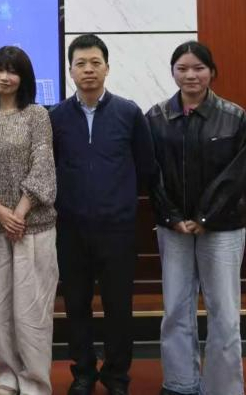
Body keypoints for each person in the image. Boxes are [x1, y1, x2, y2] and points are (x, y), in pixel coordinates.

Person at [50, 34, 155, 395]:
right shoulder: (56, 117)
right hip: (71, 229)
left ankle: (116, 376)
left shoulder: (128, 112)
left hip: (117, 230)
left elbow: (146, 167)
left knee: (118, 308)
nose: (89, 70)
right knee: (76, 306)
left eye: (95, 62)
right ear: (70, 71)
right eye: (81, 63)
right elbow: (50, 169)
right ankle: (83, 373)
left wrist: (120, 203)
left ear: (107, 68)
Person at [147, 41, 246, 395]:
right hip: (174, 228)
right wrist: (173, 216)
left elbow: (237, 176)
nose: (190, 75)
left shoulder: (235, 117)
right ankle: (180, 383)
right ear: (173, 73)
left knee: (224, 313)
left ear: (212, 72)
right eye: (182, 68)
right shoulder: (156, 117)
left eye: (198, 68)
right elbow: (152, 174)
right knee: (176, 309)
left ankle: (223, 387)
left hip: (221, 228)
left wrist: (205, 218)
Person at [0, 46, 58, 395]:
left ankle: (35, 382)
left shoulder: (37, 115)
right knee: (0, 310)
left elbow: (43, 165)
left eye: (12, 71)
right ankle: (7, 378)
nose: (4, 77)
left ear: (23, 78)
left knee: (32, 311)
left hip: (33, 228)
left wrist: (19, 213)